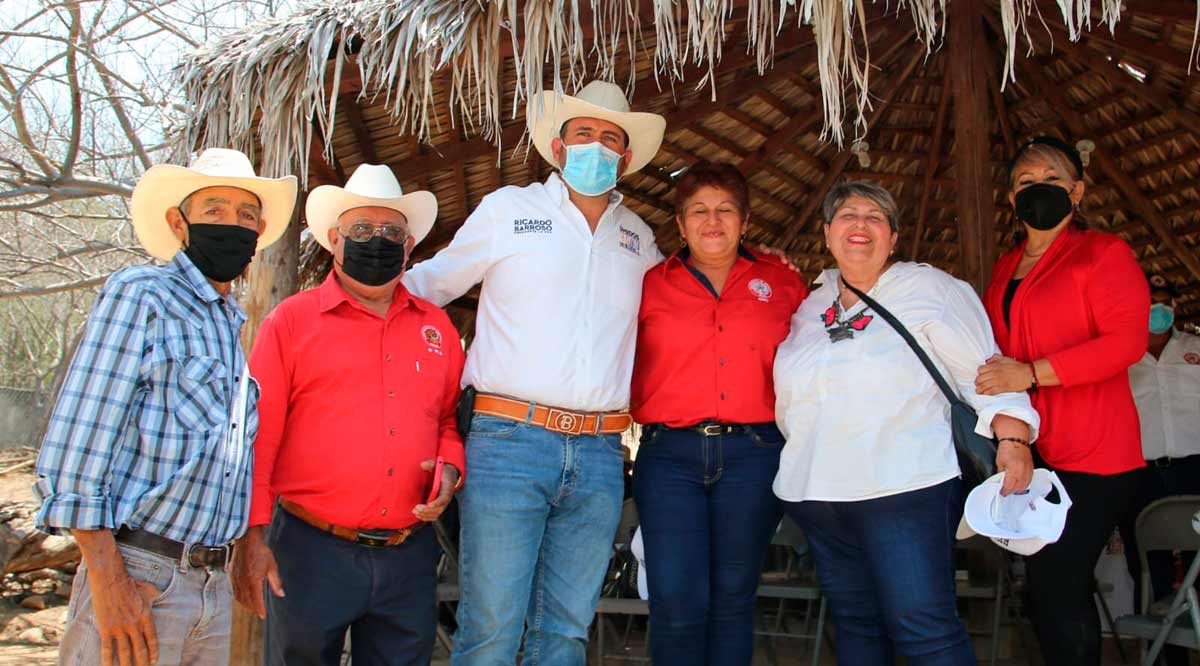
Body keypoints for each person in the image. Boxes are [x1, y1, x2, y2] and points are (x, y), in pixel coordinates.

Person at [401, 80, 665, 665]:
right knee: (492, 628)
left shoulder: (638, 239)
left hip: (599, 452)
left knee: (566, 631)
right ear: (557, 144)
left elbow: (678, 314)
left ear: (624, 157)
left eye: (610, 139)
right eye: (584, 134)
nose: (597, 146)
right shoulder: (508, 211)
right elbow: (427, 286)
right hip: (507, 442)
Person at [33, 148, 296, 666]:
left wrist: (243, 547)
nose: (233, 225)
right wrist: (110, 583)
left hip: (209, 586)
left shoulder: (228, 324)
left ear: (260, 233)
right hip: (140, 570)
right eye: (214, 211)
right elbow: (77, 445)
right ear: (179, 223)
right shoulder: (143, 296)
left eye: (246, 216)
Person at [774, 180, 1039, 665]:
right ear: (827, 234)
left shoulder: (931, 289)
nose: (860, 224)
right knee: (856, 626)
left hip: (904, 489)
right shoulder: (811, 304)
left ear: (894, 238)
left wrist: (1014, 435)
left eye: (875, 217)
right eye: (848, 215)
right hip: (819, 495)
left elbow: (984, 371)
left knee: (924, 628)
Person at [230, 164, 465, 666]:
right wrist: (252, 536)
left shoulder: (438, 329)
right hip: (310, 550)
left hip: (409, 552)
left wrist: (450, 468)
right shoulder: (290, 322)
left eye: (391, 232)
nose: (376, 240)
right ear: (334, 239)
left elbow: (447, 420)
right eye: (361, 229)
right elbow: (257, 435)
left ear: (408, 247)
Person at [977, 136, 1149, 666]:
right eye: (1025, 182)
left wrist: (1032, 373)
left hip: (1097, 452)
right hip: (1033, 451)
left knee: (1058, 585)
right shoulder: (1005, 268)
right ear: (1011, 199)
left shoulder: (1103, 253)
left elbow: (1126, 342)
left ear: (1076, 190)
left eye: (1052, 179)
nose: (1038, 189)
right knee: (1046, 593)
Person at [628, 161, 807, 665]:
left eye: (726, 210)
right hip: (669, 457)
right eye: (699, 211)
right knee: (676, 602)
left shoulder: (783, 283)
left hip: (755, 454)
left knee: (733, 601)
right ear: (680, 224)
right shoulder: (647, 286)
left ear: (746, 221)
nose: (713, 221)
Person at [1120, 273, 1200, 666]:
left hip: (1195, 469)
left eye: (1167, 302)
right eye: (1153, 302)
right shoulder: (1121, 355)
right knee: (1148, 566)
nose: (1161, 310)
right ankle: (1164, 655)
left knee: (1198, 566)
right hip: (1142, 472)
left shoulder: (1196, 350)